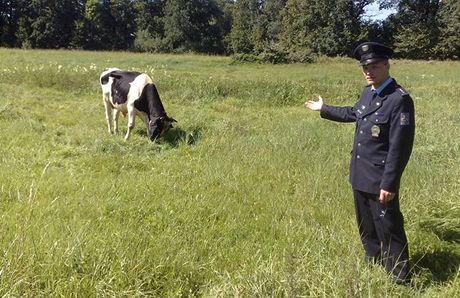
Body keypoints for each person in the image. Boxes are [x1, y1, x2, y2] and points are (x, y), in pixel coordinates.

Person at [305, 42, 415, 283]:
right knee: (366, 223)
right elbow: (353, 114)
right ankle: (374, 259)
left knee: (389, 226)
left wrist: (390, 183)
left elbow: (400, 147)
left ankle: (399, 276)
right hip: (360, 173)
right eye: (365, 68)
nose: (369, 71)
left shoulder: (399, 100)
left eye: (374, 66)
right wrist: (324, 108)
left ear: (387, 66)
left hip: (380, 178)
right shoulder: (369, 92)